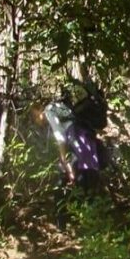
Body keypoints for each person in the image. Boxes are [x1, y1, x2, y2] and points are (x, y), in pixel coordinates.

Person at [44, 94, 106, 230]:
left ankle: (65, 224)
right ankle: (91, 221)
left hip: (78, 142)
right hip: (87, 140)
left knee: (67, 181)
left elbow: (61, 139)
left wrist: (66, 164)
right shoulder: (64, 107)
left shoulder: (49, 110)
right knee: (88, 180)